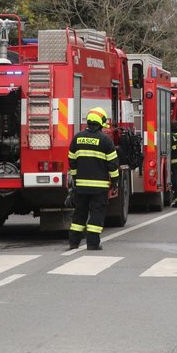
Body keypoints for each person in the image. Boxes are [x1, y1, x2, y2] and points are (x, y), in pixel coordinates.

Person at [68, 107, 119, 250]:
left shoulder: (77, 138)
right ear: (101, 122)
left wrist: (75, 178)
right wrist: (115, 181)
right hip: (99, 187)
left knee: (79, 213)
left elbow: (72, 160)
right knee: (97, 213)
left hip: (81, 186)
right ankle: (92, 243)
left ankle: (73, 242)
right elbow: (113, 165)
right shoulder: (106, 140)